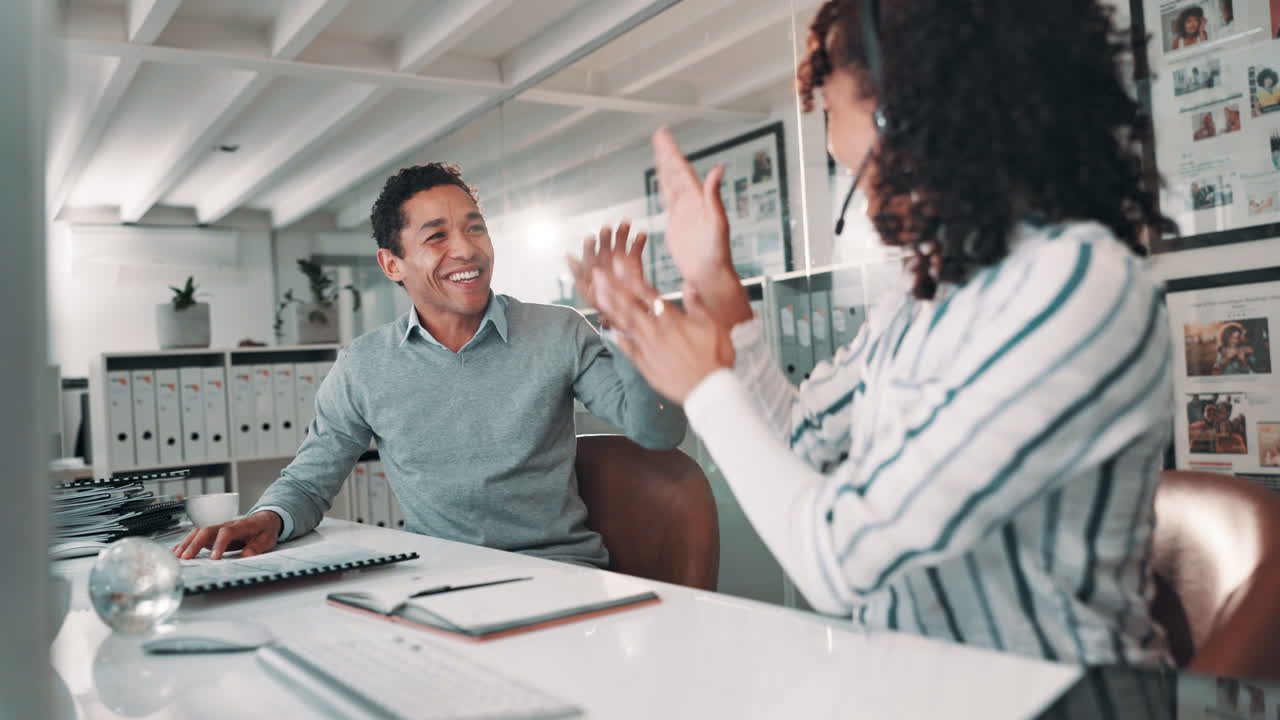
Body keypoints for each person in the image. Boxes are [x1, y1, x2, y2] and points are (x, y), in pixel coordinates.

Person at [590, 0, 1176, 665]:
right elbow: (800, 442)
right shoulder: (924, 285)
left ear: (918, 120)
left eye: (857, 170)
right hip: (909, 684)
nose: (862, 195)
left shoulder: (1074, 286)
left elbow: (841, 563)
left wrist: (705, 387)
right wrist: (719, 287)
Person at [172, 163, 687, 565]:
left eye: (475, 229)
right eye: (437, 236)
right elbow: (309, 483)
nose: (466, 249)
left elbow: (659, 432)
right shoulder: (363, 366)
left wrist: (629, 321)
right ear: (392, 263)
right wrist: (268, 517)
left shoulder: (560, 331)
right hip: (437, 579)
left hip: (561, 572)